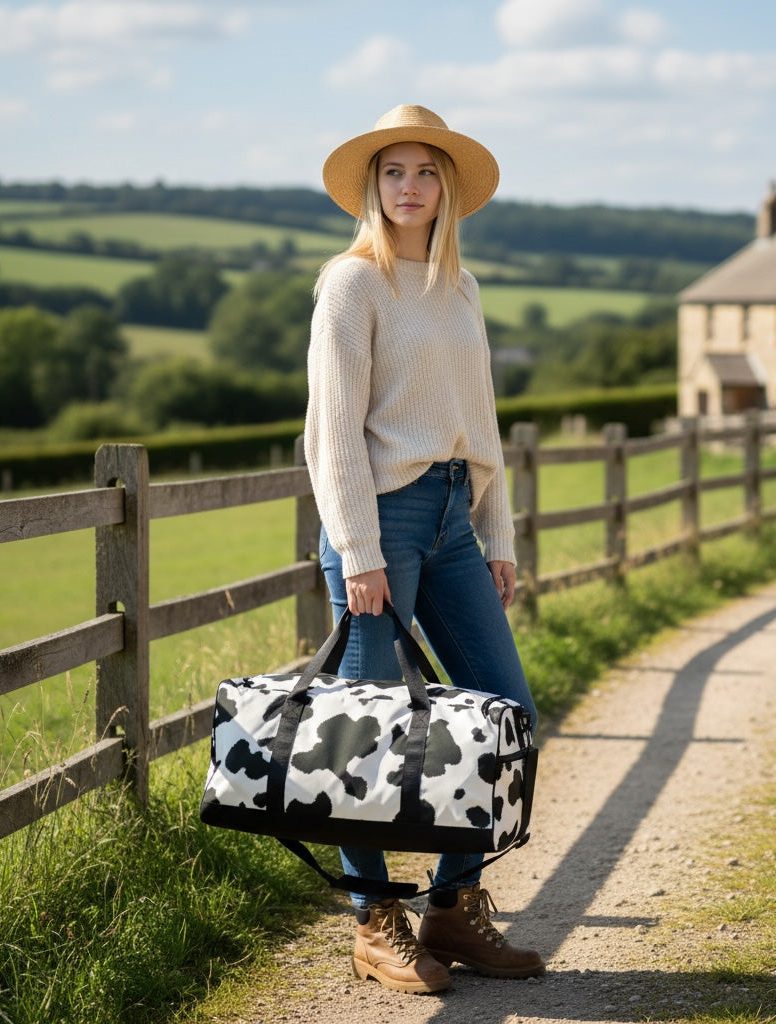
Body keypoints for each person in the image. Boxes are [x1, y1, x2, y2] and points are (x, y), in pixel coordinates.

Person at [304, 104, 544, 994]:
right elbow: (330, 433)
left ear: (447, 188)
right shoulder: (352, 284)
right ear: (374, 187)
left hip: (451, 517)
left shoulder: (460, 288)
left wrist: (498, 532)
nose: (410, 187)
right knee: (362, 735)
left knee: (504, 711)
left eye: (426, 172)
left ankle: (453, 906)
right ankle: (374, 923)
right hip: (381, 523)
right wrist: (358, 547)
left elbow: (481, 422)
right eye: (394, 172)